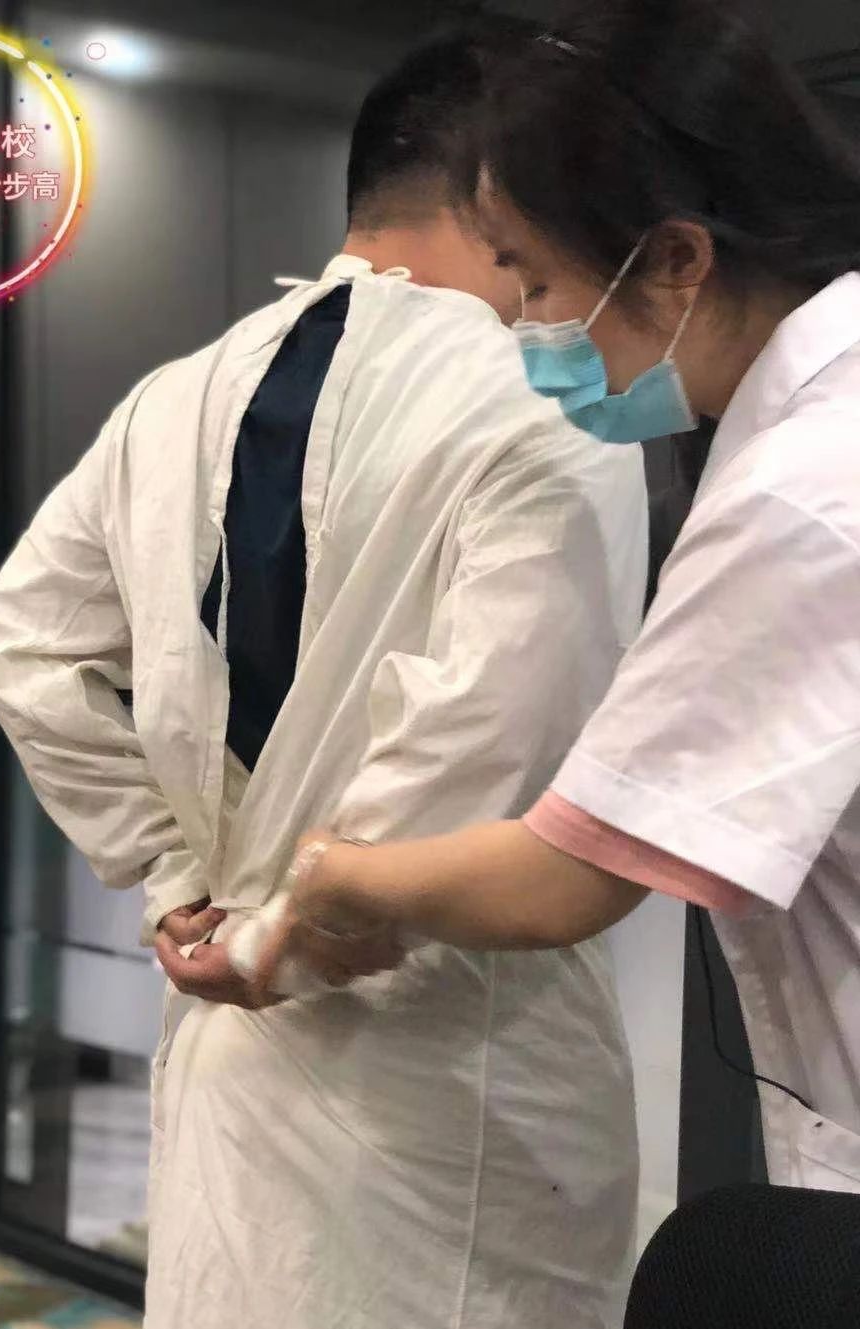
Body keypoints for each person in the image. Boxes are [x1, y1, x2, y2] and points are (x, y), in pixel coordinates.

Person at [0, 26, 649, 1329]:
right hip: (452, 1064)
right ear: (505, 192)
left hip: (236, 1044)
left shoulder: (172, 399)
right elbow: (494, 743)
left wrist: (186, 882)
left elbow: (19, 647)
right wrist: (293, 932)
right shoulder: (550, 399)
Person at [258, 0, 860, 1200]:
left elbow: (565, 875)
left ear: (676, 260)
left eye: (537, 286)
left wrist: (326, 876)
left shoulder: (804, 490)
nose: (529, 332)